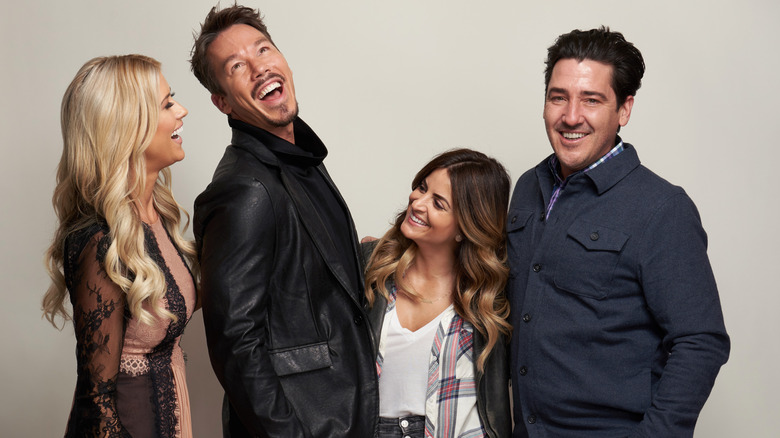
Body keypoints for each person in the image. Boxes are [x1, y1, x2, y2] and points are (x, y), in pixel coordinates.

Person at [506, 26, 730, 437]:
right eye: (558, 97)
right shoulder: (527, 188)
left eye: (591, 100)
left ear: (624, 110)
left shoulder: (662, 208)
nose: (571, 116)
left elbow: (701, 340)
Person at [189, 4, 377, 437]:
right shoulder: (244, 190)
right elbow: (236, 344)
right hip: (308, 425)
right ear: (222, 102)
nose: (259, 67)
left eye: (263, 49)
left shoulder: (301, 161)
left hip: (347, 415)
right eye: (237, 66)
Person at [43, 54, 197, 438]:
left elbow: (171, 305)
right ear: (129, 128)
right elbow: (96, 402)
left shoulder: (157, 213)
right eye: (167, 104)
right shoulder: (101, 240)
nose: (182, 111)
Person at [363, 148, 512, 438]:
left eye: (438, 203)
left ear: (465, 227)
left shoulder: (491, 298)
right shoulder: (370, 268)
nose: (417, 203)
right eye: (422, 187)